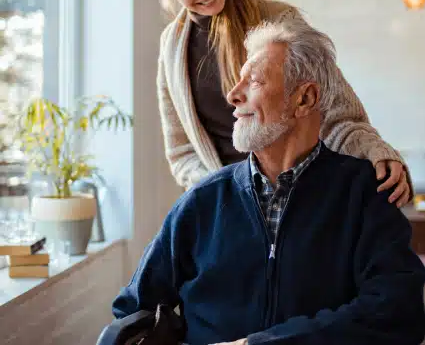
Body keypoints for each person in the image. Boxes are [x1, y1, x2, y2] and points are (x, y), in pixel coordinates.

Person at [112, 18, 425, 345]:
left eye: (255, 81)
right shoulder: (202, 201)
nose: (233, 95)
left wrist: (260, 344)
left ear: (304, 99)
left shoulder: (363, 195)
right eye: (238, 81)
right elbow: (132, 311)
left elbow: (399, 312)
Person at [147, 0, 411, 206]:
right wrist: (224, 192)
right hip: (228, 211)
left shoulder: (280, 21)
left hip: (302, 201)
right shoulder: (172, 48)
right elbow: (181, 152)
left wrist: (374, 151)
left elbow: (336, 113)